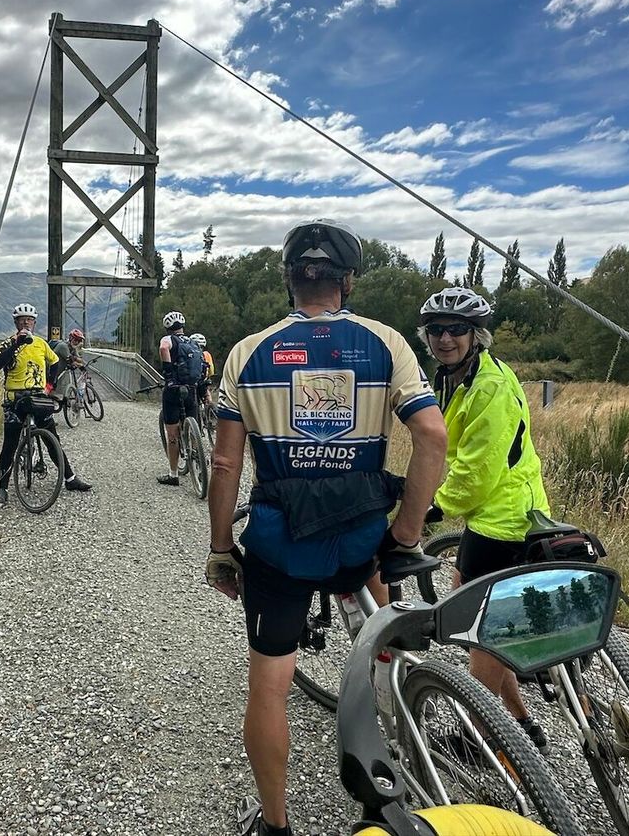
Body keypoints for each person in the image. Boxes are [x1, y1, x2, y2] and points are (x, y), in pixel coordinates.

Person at [205, 220, 449, 836]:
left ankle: (276, 824)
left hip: (279, 548)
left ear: (290, 280)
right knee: (381, 620)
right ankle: (396, 700)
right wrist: (406, 536)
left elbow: (226, 464)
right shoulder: (387, 343)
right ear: (349, 281)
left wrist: (221, 549)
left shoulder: (249, 351)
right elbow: (431, 435)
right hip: (360, 540)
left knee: (270, 685)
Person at [419, 286, 552, 751]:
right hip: (497, 513)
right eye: (436, 330)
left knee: (483, 631)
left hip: (503, 520)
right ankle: (518, 720)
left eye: (457, 329)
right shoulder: (458, 377)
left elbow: (478, 469)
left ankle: (476, 737)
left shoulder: (489, 386)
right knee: (485, 617)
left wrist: (433, 507)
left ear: (476, 335)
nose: (445, 338)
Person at [0, 303, 91, 506]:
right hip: (14, 399)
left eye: (29, 320)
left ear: (34, 323)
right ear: (16, 323)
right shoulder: (8, 343)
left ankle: (70, 479)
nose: (26, 323)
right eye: (22, 320)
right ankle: (2, 489)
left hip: (38, 397)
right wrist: (16, 344)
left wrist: (50, 385)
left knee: (53, 440)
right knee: (9, 445)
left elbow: (54, 362)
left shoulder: (41, 343)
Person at [157, 310, 202, 486]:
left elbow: (163, 348)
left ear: (167, 327)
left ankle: (173, 474)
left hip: (174, 390)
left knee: (172, 434)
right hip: (191, 389)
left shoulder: (168, 339)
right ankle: (199, 464)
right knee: (193, 427)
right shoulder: (192, 342)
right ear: (182, 326)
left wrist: (168, 373)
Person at [190, 332, 216, 412]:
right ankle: (210, 409)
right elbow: (211, 371)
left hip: (191, 382)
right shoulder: (207, 354)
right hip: (203, 382)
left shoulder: (189, 354)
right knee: (207, 394)